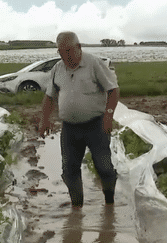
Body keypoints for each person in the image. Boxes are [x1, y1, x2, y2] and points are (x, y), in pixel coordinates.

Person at [38, 31, 119, 208]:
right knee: (69, 169)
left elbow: (113, 90)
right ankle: (77, 207)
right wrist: (44, 120)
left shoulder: (93, 63)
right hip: (69, 128)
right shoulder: (57, 69)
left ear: (79, 47)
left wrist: (108, 116)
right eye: (61, 52)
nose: (66, 56)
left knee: (103, 166)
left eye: (69, 51)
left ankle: (110, 203)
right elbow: (49, 97)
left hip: (96, 125)